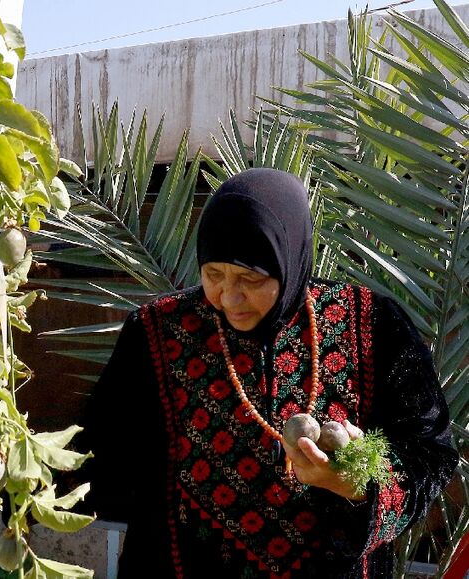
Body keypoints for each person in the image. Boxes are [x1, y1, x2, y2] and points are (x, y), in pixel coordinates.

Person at [80, 168, 458, 578]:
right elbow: (96, 454)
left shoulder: (373, 325)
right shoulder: (157, 331)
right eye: (213, 275)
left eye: (250, 278)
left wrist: (358, 487)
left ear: (289, 259)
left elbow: (431, 454)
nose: (229, 297)